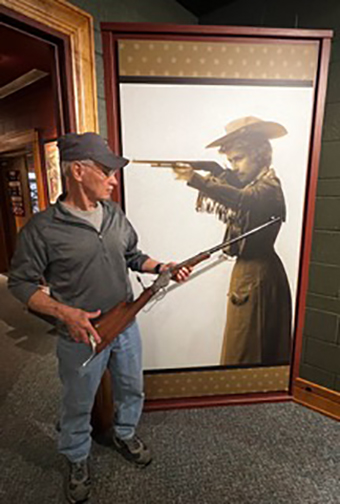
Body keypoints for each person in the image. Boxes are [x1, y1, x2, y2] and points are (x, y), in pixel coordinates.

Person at [8, 132, 191, 504]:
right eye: (106, 171)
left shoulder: (114, 214)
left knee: (130, 387)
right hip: (80, 334)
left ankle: (125, 434)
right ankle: (76, 458)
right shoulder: (42, 229)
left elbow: (133, 255)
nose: (113, 179)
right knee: (77, 402)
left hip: (124, 320)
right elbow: (20, 284)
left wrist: (163, 266)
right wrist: (63, 312)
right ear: (78, 171)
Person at [173, 116, 292, 367]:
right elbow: (237, 189)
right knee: (246, 349)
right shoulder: (255, 182)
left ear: (259, 155)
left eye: (238, 159)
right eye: (230, 161)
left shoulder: (268, 186)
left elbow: (242, 200)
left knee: (247, 353)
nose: (234, 167)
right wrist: (217, 172)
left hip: (258, 274)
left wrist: (196, 179)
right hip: (252, 273)